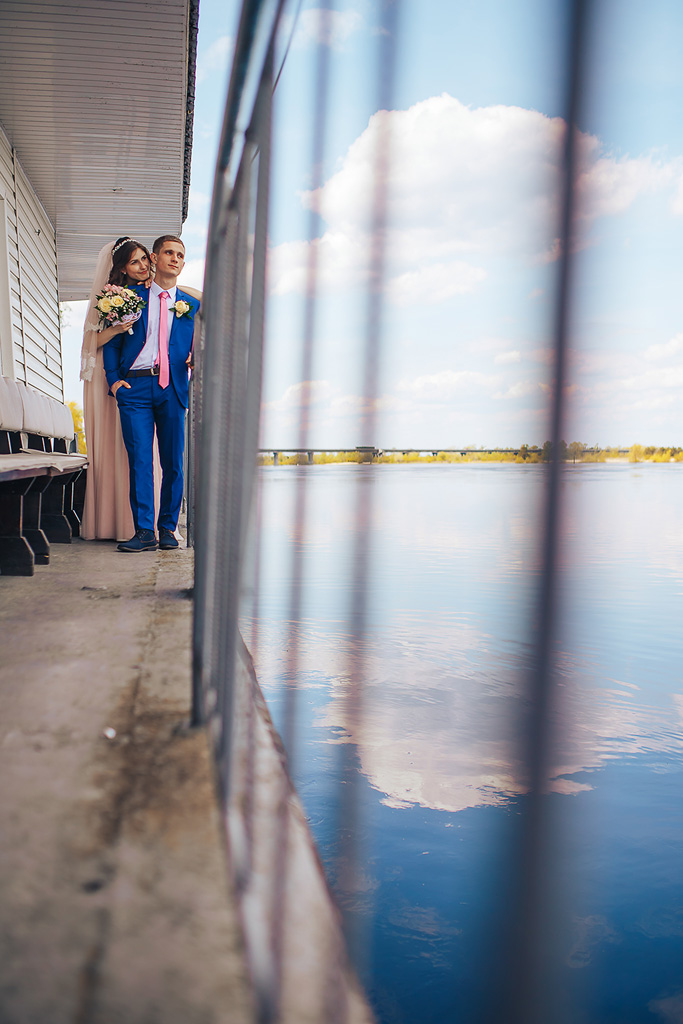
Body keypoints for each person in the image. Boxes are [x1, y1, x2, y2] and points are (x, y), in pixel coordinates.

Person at [103, 235, 199, 552]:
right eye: (168, 253)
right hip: (135, 388)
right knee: (141, 461)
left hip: (173, 388)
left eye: (180, 255)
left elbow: (203, 343)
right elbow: (111, 342)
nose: (174, 258)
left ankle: (168, 529)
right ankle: (145, 531)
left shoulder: (191, 306)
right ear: (155, 258)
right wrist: (114, 381)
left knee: (173, 463)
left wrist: (195, 357)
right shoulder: (128, 298)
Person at [80, 237, 153, 541]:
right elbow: (89, 344)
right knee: (113, 444)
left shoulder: (152, 293)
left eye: (145, 259)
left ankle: (135, 522)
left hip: (137, 379)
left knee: (137, 453)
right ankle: (110, 521)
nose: (143, 266)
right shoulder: (110, 298)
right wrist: (116, 328)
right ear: (122, 266)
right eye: (135, 261)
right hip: (106, 378)